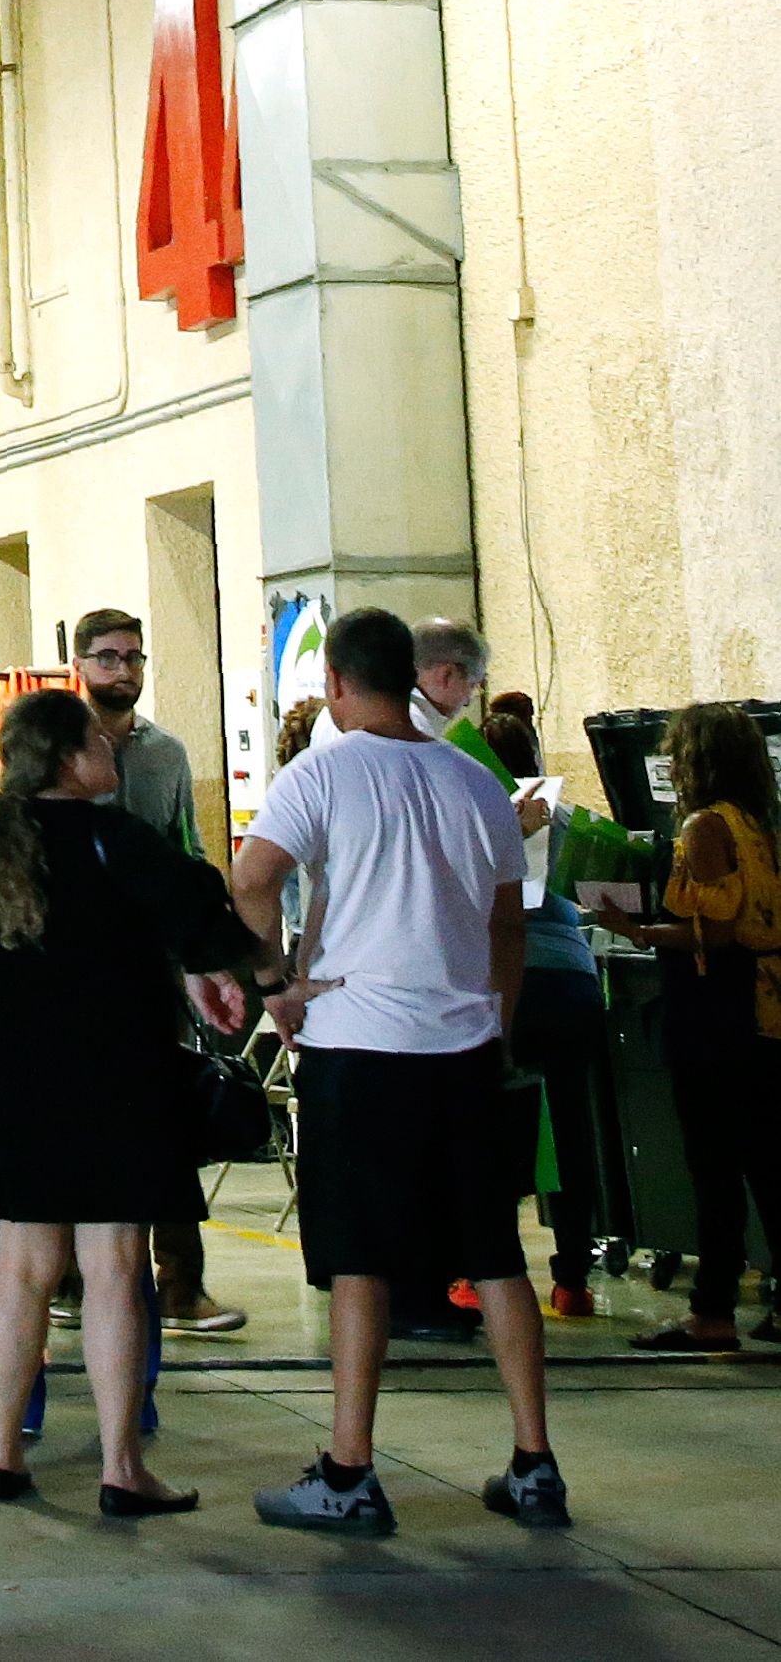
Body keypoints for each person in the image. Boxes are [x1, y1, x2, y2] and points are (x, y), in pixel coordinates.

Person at [221, 606, 567, 1535]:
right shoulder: (475, 784)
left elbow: (250, 882)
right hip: (462, 1047)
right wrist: (495, 1025)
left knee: (360, 1264)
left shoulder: (319, 775)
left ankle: (349, 1470)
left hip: (359, 1045)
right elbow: (506, 926)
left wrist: (274, 987)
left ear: (334, 682)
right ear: (414, 677)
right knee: (494, 1254)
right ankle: (534, 1463)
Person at [0, 690, 253, 1515]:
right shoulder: (116, 838)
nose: (114, 752)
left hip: (14, 1084)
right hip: (117, 1081)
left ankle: (3, 1455)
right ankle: (119, 1467)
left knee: (22, 1268)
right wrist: (250, 973)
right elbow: (202, 911)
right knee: (112, 1268)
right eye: (101, 743)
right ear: (70, 759)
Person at [71, 608, 243, 1338]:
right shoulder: (55, 743)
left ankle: (180, 1284)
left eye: (135, 658)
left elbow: (186, 851)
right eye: (109, 658)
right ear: (79, 663)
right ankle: (76, 1284)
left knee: (166, 1125)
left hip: (154, 972)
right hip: (77, 975)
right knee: (82, 1131)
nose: (124, 671)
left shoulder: (167, 753)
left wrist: (198, 954)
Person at [593, 703, 781, 1351]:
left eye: (677, 754)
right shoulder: (760, 824)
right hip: (763, 1010)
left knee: (715, 1167)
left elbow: (717, 930)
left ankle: (712, 1314)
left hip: (715, 1013)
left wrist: (636, 929)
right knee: (765, 1163)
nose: (670, 766)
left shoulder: (705, 828)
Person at [480, 709, 604, 1322]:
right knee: (574, 1131)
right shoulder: (562, 814)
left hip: (512, 986)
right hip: (575, 982)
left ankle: (483, 1273)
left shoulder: (480, 813)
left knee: (495, 1128)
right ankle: (573, 1278)